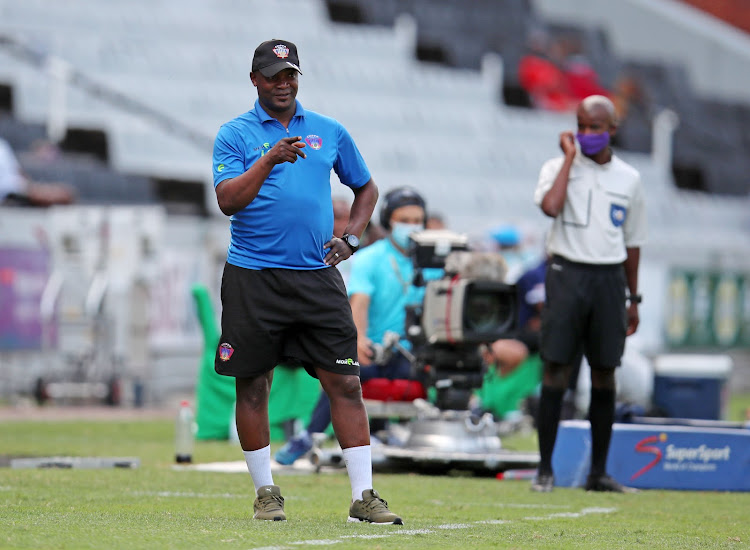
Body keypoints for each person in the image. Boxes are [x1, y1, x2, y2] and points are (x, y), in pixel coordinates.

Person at [211, 39, 402, 524]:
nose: (283, 83)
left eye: (290, 74)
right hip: (253, 277)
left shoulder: (328, 131)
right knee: (253, 386)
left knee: (346, 381)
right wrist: (269, 159)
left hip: (317, 278)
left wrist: (352, 239)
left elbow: (366, 186)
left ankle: (364, 498)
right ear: (255, 80)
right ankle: (267, 492)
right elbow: (228, 201)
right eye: (273, 75)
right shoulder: (233, 134)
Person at [531, 94, 647, 493]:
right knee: (556, 369)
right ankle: (545, 469)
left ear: (612, 129)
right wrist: (568, 159)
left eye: (595, 127)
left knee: (604, 372)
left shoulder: (629, 178)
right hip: (566, 273)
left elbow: (632, 243)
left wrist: (634, 298)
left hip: (609, 281)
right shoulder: (556, 167)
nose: (586, 134)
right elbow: (550, 206)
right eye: (581, 125)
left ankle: (597, 472)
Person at [275, 187, 441, 462]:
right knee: (340, 372)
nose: (411, 226)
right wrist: (359, 339)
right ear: (389, 221)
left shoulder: (434, 262)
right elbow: (360, 303)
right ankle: (310, 436)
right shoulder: (369, 259)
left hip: (417, 354)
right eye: (404, 219)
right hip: (373, 350)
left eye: (417, 220)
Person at [0, 136, 73, 206]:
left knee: (66, 193)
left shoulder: (3, 144)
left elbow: (18, 171)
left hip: (23, 187)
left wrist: (31, 186)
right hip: (12, 192)